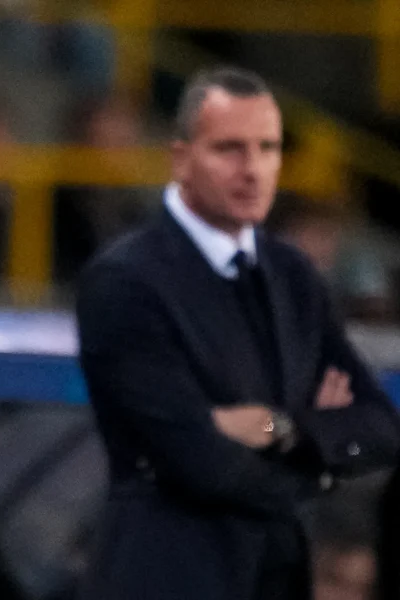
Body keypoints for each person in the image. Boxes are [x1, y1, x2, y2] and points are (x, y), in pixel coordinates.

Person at [76, 67, 400, 600]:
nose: (252, 170)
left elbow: (380, 428)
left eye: (267, 149)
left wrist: (281, 427)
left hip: (274, 576)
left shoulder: (293, 275)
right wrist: (318, 460)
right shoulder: (125, 282)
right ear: (181, 158)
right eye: (229, 149)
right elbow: (200, 462)